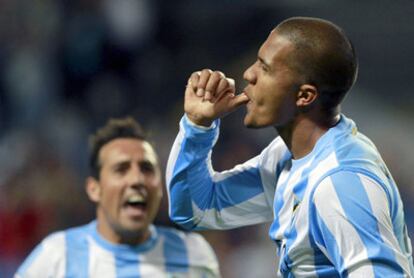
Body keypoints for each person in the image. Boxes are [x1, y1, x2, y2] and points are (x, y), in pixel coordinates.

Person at [166, 16, 414, 277]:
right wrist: (198, 127)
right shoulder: (287, 157)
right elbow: (196, 209)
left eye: (265, 68)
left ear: (305, 95)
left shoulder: (339, 182)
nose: (248, 74)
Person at [15, 117, 220, 277]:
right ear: (94, 189)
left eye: (146, 169)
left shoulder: (193, 253)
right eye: (121, 169)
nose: (137, 179)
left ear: (160, 187)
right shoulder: (55, 257)